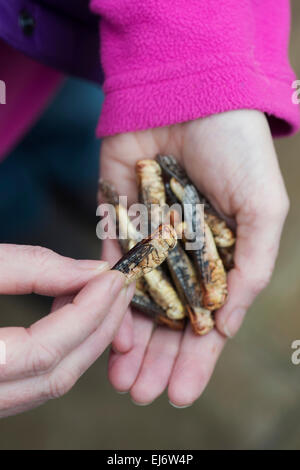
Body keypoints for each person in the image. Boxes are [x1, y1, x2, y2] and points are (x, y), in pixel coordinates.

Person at [0, 0, 299, 415]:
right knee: (19, 207)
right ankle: (52, 242)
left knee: (80, 140)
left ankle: (77, 222)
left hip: (50, 41)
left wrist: (194, 62)